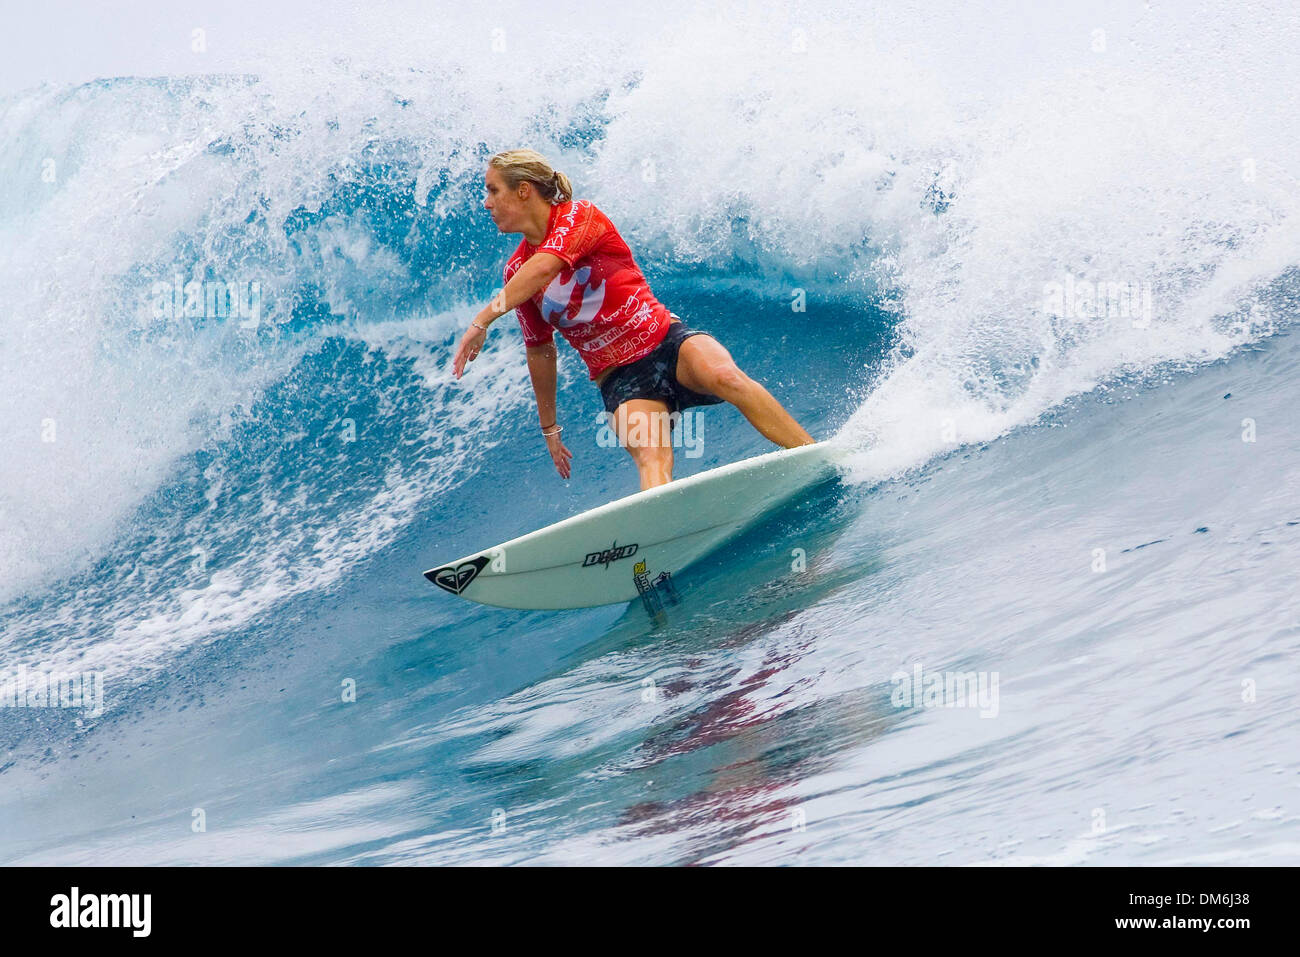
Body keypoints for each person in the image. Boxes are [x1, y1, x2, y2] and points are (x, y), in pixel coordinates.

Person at [453, 148, 814, 490]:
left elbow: (546, 266)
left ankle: (812, 457)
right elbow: (540, 350)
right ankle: (660, 537)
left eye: (493, 190)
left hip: (667, 343)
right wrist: (549, 427)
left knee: (725, 376)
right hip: (621, 379)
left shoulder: (580, 217)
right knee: (650, 453)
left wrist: (482, 320)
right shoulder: (516, 270)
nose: (487, 203)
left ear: (524, 191)